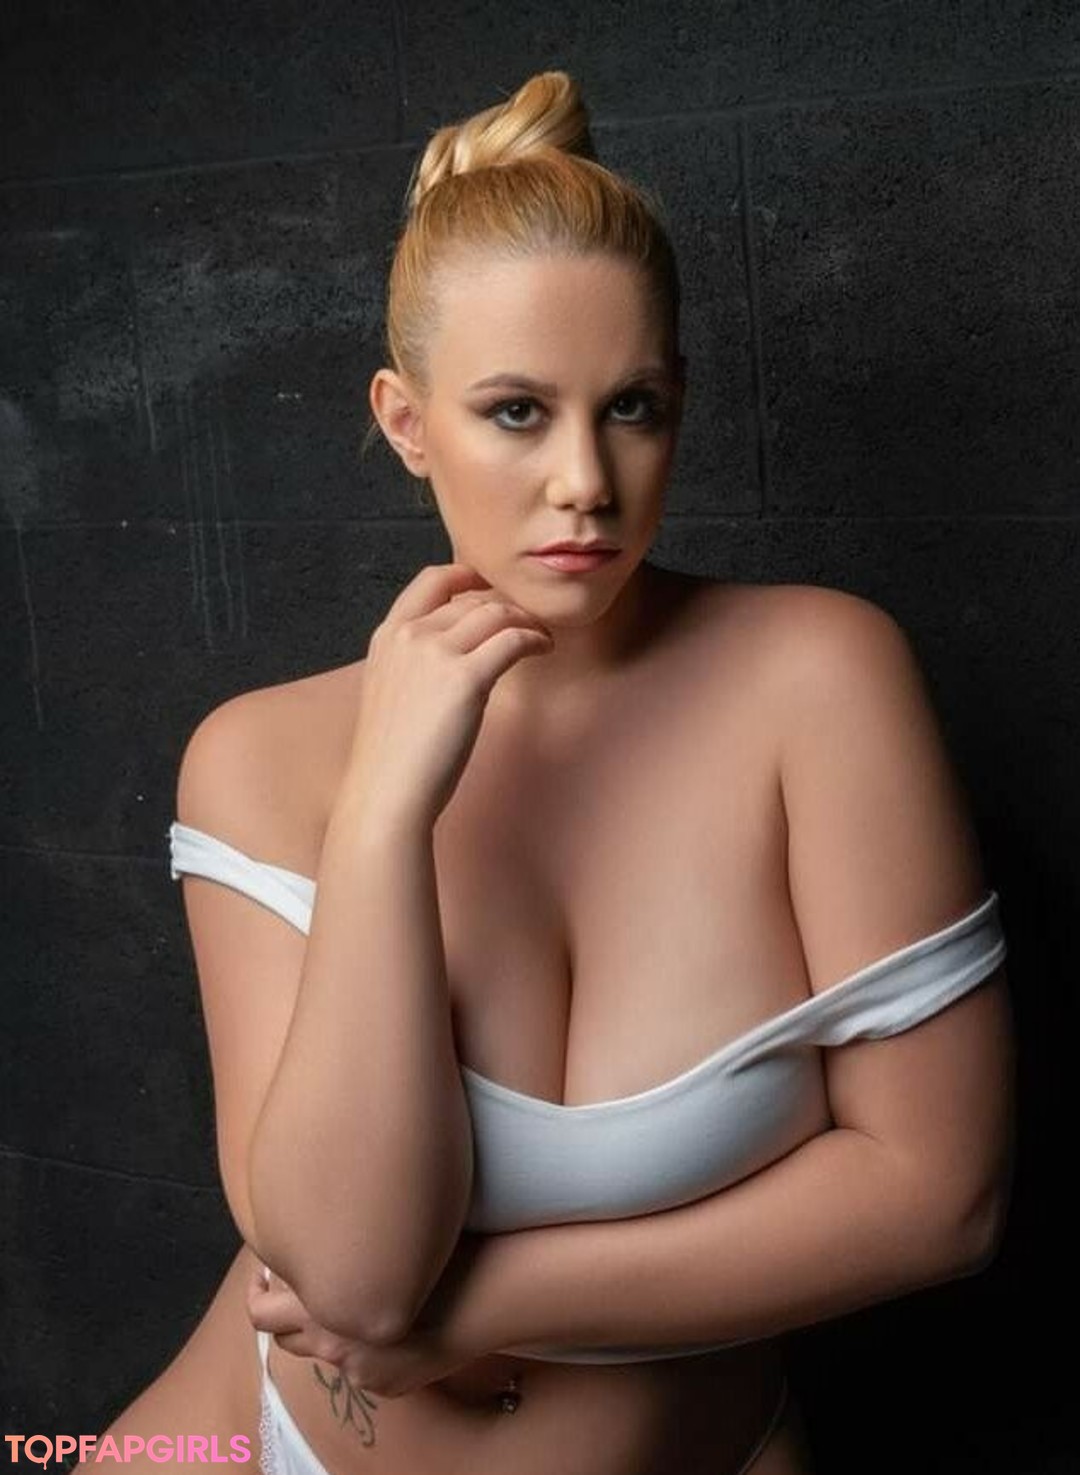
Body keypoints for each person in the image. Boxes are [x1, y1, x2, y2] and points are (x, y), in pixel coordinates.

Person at [84, 69, 1014, 1475]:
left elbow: (941, 1201)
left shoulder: (819, 682)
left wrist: (481, 1313)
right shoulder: (259, 757)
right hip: (243, 1442)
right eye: (517, 412)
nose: (586, 479)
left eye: (631, 406)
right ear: (407, 423)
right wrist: (386, 810)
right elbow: (352, 1278)